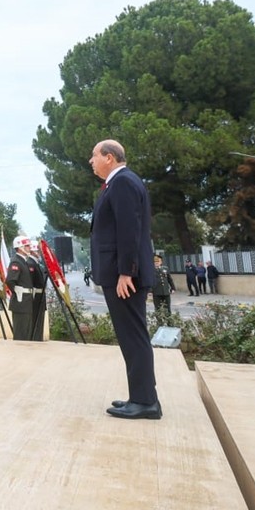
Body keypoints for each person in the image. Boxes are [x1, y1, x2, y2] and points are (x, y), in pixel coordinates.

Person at [89, 139, 161, 420]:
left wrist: (126, 272)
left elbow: (129, 231)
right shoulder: (119, 183)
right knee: (131, 336)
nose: (91, 161)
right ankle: (142, 396)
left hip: (125, 277)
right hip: (121, 273)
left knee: (133, 337)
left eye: (94, 156)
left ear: (109, 157)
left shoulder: (123, 183)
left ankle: (145, 402)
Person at [5, 235, 39, 341]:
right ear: (20, 247)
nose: (29, 248)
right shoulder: (16, 261)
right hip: (21, 302)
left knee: (27, 333)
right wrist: (17, 291)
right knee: (21, 334)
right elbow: (10, 280)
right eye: (27, 245)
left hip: (26, 301)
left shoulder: (23, 261)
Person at [150, 254, 175, 318]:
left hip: (166, 292)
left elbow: (169, 279)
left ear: (161, 262)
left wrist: (173, 288)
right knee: (158, 309)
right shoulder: (151, 270)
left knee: (167, 309)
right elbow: (149, 281)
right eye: (155, 262)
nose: (156, 263)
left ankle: (169, 323)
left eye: (158, 262)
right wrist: (149, 291)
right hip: (156, 292)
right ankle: (159, 324)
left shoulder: (165, 269)